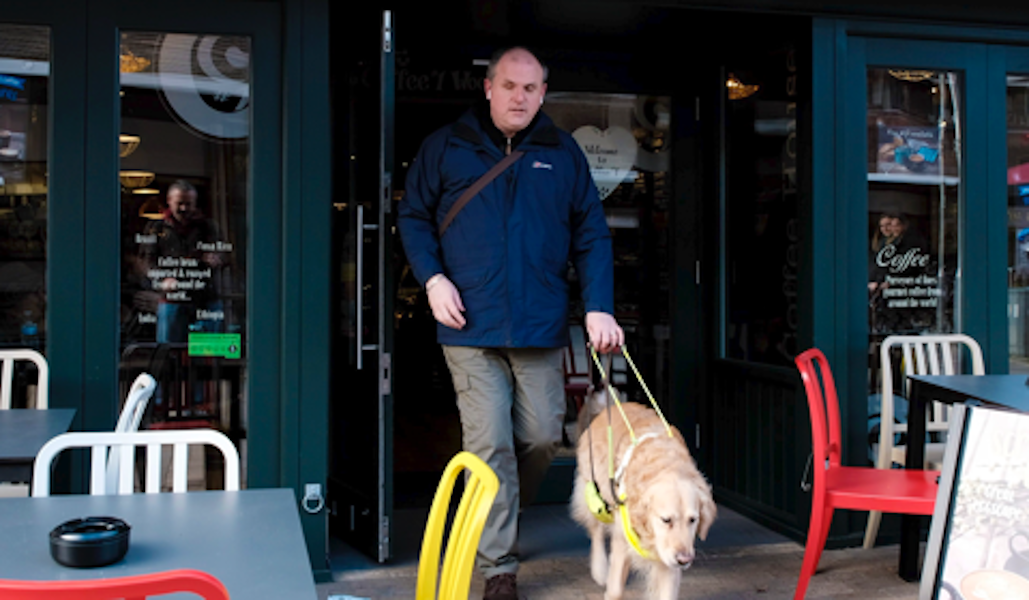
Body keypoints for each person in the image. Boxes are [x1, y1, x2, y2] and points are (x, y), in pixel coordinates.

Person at [397, 46, 623, 600]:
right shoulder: (446, 147)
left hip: (538, 325)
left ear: (543, 93)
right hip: (468, 324)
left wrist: (599, 304)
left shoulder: (562, 152)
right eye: (510, 86)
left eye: (531, 88)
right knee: (490, 443)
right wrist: (432, 278)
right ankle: (498, 563)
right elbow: (413, 215)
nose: (520, 97)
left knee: (545, 434)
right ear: (489, 88)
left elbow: (591, 233)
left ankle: (495, 507)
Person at [137, 180, 225, 344]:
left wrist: (216, 257)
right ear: (169, 201)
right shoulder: (156, 227)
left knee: (209, 352)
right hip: (172, 297)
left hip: (206, 296)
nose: (184, 208)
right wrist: (161, 279)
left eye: (189, 204)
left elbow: (224, 252)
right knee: (169, 350)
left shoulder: (208, 227)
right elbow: (145, 261)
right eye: (180, 203)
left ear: (195, 203)